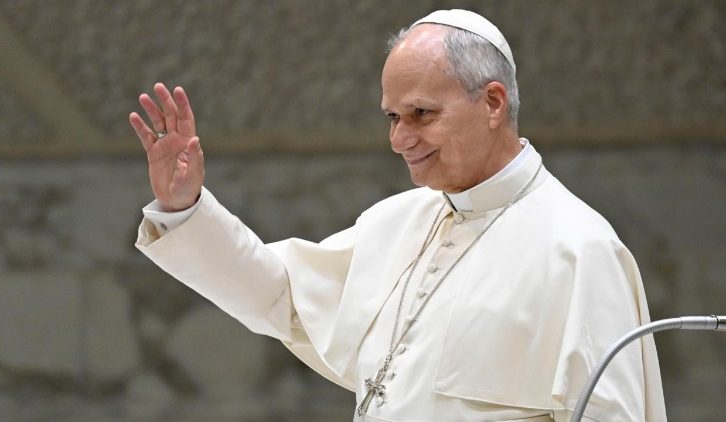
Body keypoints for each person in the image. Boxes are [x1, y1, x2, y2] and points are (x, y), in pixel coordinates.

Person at [129, 9, 666, 422]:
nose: (399, 139)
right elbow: (282, 297)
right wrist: (185, 207)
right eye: (392, 117)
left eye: (421, 114)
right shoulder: (398, 221)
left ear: (493, 103)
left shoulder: (580, 250)